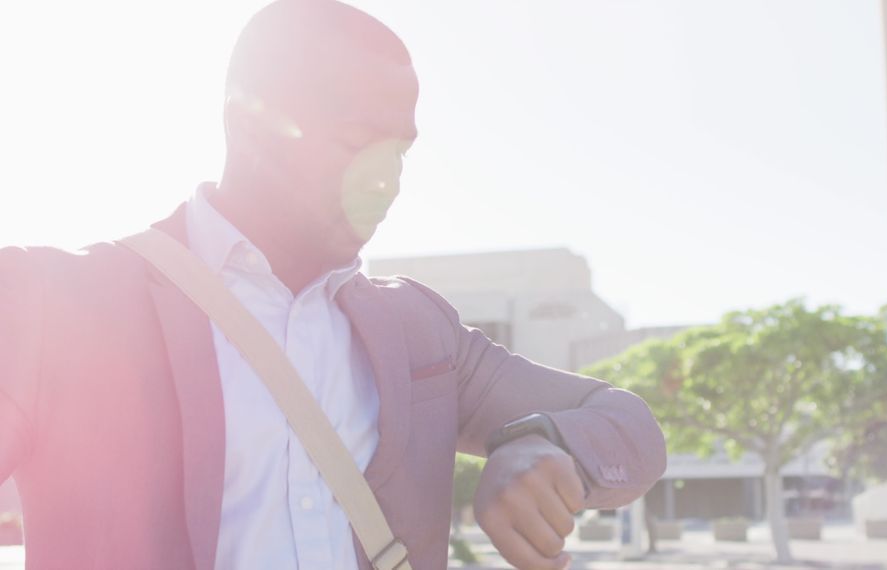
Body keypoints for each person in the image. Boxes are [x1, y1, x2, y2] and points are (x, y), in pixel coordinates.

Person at [0, 1, 666, 569]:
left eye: (399, 149)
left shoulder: (417, 332)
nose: (388, 177)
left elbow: (629, 424)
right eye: (357, 140)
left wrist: (547, 447)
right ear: (248, 122)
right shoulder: (51, 302)